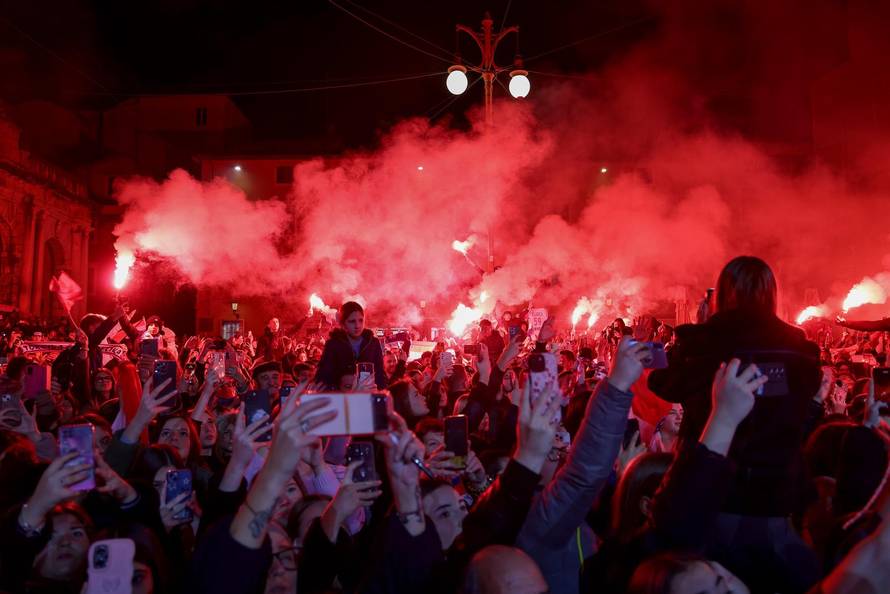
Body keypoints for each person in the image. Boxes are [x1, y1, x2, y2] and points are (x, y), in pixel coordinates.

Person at [649, 256, 822, 591]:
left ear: (724, 292)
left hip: (712, 485)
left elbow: (665, 384)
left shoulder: (704, 341)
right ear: (771, 293)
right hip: (778, 492)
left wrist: (695, 335)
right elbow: (807, 395)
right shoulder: (797, 346)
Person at [314, 302, 386, 390]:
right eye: (352, 321)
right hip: (342, 398)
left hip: (369, 395)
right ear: (343, 324)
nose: (357, 325)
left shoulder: (373, 343)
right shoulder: (333, 344)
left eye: (360, 320)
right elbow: (323, 376)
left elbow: (380, 374)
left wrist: (380, 392)